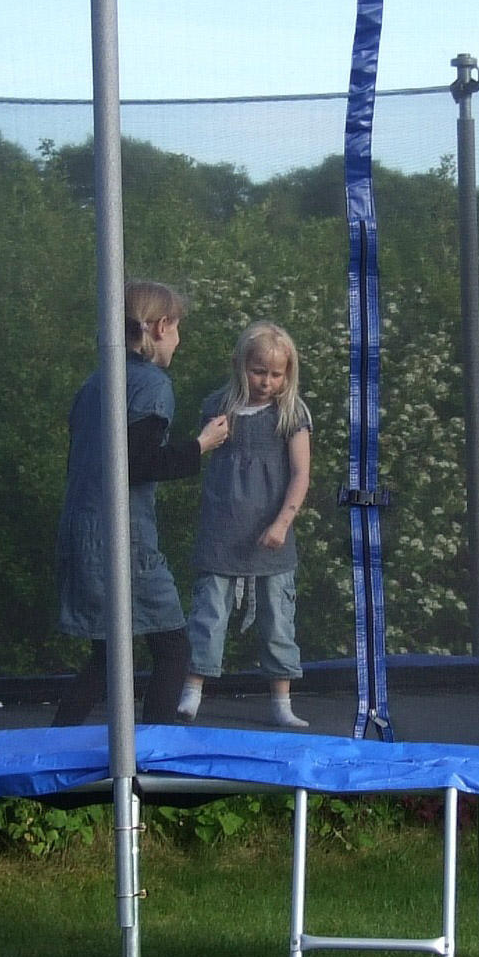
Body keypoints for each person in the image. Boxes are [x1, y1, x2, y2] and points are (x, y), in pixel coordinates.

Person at [53, 280, 230, 726]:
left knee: (109, 655)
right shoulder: (150, 384)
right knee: (172, 647)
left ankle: (54, 745)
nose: (178, 339)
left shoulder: (96, 381)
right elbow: (138, 462)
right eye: (176, 329)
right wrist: (202, 444)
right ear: (158, 326)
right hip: (122, 537)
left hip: (83, 529)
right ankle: (157, 748)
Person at [179, 321, 315, 729]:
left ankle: (281, 701)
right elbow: (204, 451)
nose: (267, 382)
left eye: (277, 374)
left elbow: (300, 474)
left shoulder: (292, 413)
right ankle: (191, 692)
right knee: (208, 615)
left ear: (288, 373)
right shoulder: (218, 407)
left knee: (277, 620)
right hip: (222, 532)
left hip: (272, 535)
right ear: (240, 365)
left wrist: (282, 523)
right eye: (259, 372)